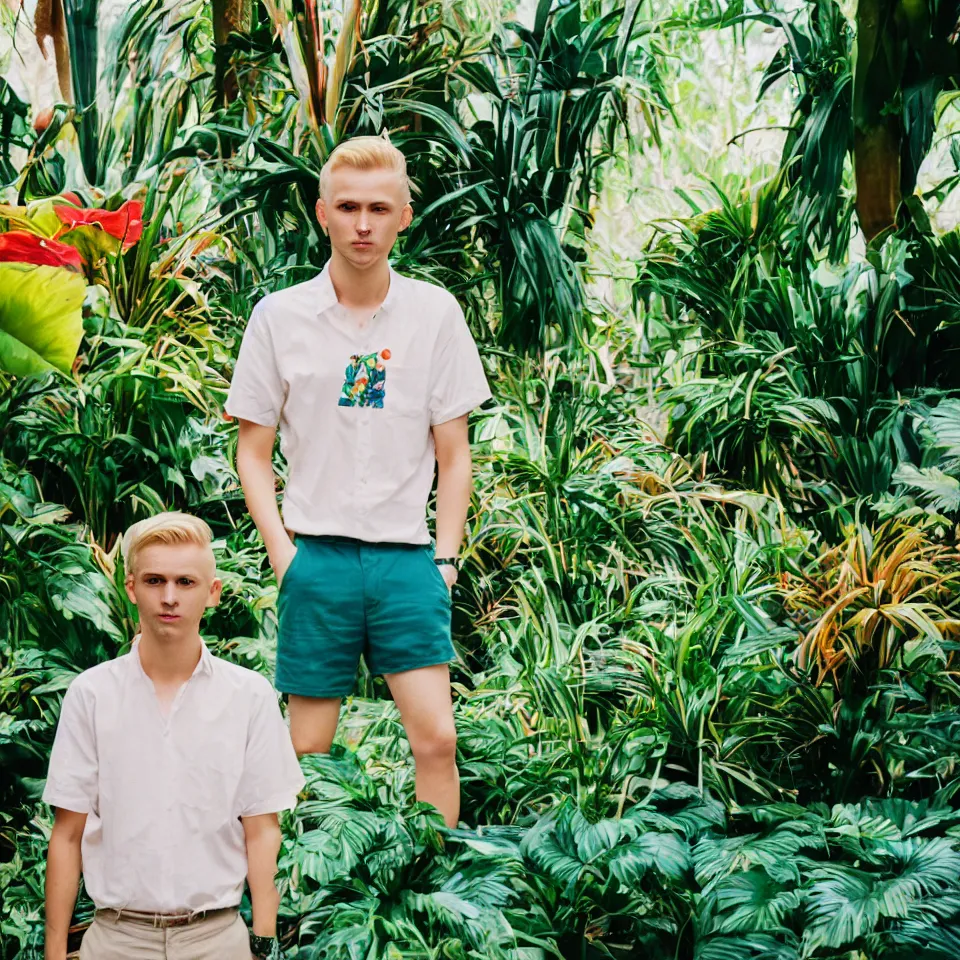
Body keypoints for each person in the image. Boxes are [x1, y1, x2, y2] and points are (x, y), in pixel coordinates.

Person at [226, 135, 491, 829]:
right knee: (307, 748)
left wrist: (447, 558)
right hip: (319, 559)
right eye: (347, 207)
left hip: (408, 560)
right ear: (322, 213)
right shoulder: (279, 318)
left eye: (380, 207)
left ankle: (437, 888)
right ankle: (289, 893)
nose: (363, 224)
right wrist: (285, 555)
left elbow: (454, 453)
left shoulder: (434, 314)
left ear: (406, 214)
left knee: (436, 738)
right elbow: (251, 452)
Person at [42, 512, 304, 960]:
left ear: (212, 592)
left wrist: (262, 942)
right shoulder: (92, 695)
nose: (168, 597)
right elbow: (67, 835)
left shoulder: (249, 696)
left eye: (185, 582)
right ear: (130, 588)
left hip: (218, 940)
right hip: (116, 941)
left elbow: (262, 830)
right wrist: (53, 952)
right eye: (154, 580)